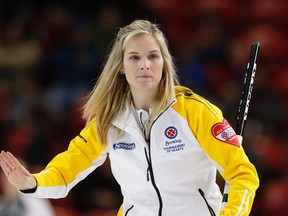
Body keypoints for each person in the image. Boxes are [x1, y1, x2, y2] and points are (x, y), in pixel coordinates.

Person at [0, 19, 259, 216]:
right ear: (122, 67)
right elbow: (66, 170)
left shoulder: (195, 112)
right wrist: (32, 183)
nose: (144, 64)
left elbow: (243, 174)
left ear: (164, 63)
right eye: (134, 57)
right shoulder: (108, 119)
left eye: (152, 56)